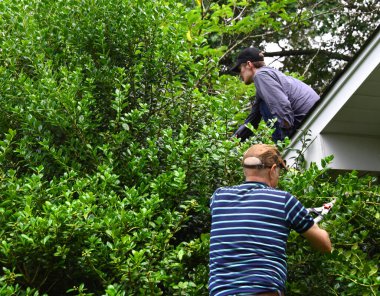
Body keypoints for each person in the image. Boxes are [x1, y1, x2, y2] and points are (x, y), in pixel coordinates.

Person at [209, 144, 331, 296]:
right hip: (262, 290)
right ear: (273, 170)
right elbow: (325, 245)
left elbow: (243, 217)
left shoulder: (219, 197)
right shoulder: (284, 200)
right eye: (279, 172)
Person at [230, 47, 320, 142]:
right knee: (260, 105)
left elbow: (281, 106)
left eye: (240, 69)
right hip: (314, 116)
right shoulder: (269, 74)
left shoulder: (260, 75)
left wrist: (286, 143)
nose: (240, 74)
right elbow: (253, 119)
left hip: (307, 122)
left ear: (249, 64)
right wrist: (233, 141)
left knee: (263, 106)